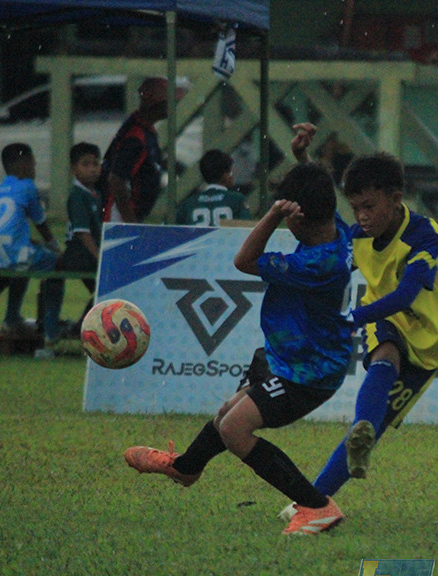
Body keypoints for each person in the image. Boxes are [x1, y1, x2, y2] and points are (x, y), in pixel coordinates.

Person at [123, 159, 355, 537]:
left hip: (308, 372)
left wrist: (273, 215)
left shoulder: (317, 263)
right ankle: (185, 467)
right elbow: (316, 192)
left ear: (297, 216)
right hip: (291, 359)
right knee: (226, 413)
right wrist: (302, 157)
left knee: (234, 428)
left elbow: (243, 260)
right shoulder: (335, 231)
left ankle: (317, 506)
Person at [285, 122, 438, 514]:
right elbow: (321, 206)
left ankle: (353, 447)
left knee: (371, 429)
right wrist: (302, 159)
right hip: (385, 320)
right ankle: (306, 504)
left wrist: (351, 317)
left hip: (428, 341)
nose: (360, 216)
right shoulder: (360, 231)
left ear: (396, 199)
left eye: (369, 207)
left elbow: (407, 294)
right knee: (384, 356)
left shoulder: (426, 236)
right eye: (355, 207)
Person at [0, 143, 59, 333]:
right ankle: (50, 328)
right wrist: (54, 245)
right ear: (23, 165)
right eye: (33, 164)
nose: (34, 169)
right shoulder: (27, 186)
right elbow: (40, 223)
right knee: (56, 263)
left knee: (24, 260)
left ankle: (12, 317)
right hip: (6, 253)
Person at [37, 142, 104, 357]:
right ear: (74, 168)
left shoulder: (96, 194)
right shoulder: (77, 195)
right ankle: (53, 332)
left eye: (95, 163)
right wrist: (100, 257)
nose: (92, 168)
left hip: (87, 252)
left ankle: (79, 327)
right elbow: (83, 233)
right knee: (104, 287)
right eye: (85, 164)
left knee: (104, 291)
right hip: (78, 252)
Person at [101, 76, 187, 224]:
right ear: (155, 104)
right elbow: (117, 181)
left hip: (134, 214)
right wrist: (131, 223)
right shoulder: (136, 137)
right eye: (169, 103)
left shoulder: (146, 130)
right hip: (119, 218)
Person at [174, 149, 251, 226]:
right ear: (225, 174)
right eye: (230, 172)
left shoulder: (189, 203)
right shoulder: (238, 200)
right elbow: (246, 230)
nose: (232, 176)